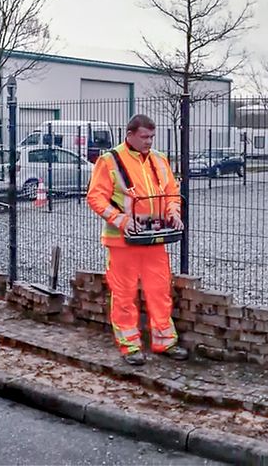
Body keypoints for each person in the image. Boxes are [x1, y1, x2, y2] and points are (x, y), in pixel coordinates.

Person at [87, 114, 188, 365]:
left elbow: (171, 193)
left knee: (160, 291)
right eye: (144, 137)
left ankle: (165, 341)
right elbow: (95, 197)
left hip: (154, 238)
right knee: (124, 294)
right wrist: (122, 220)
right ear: (129, 135)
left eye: (152, 137)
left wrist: (173, 214)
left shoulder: (160, 159)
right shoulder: (109, 161)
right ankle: (130, 345)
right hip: (122, 242)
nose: (149, 142)